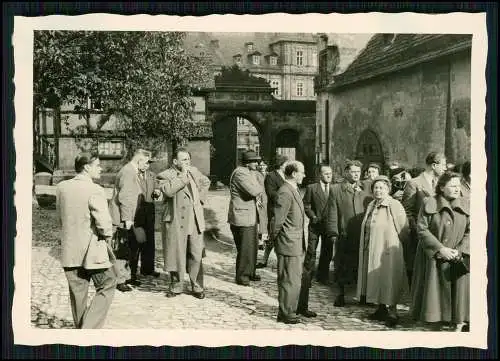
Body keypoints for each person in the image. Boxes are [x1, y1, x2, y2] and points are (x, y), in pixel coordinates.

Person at [56, 153, 116, 328]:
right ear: (87, 167)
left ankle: (81, 331)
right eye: (97, 165)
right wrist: (108, 238)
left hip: (69, 249)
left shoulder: (61, 187)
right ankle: (88, 330)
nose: (101, 168)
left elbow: (60, 218)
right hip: (92, 251)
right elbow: (104, 223)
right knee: (108, 283)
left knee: (78, 293)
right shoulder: (95, 189)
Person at [411, 171, 470, 332]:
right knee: (434, 289)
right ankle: (435, 319)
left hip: (458, 256)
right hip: (434, 256)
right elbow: (422, 229)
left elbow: (471, 230)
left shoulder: (467, 204)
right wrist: (440, 249)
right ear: (442, 187)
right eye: (452, 186)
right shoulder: (429, 202)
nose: (457, 189)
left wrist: (460, 250)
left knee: (458, 290)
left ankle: (458, 322)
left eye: (458, 186)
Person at [356, 176, 410, 327]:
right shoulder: (372, 204)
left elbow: (404, 229)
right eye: (376, 187)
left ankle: (393, 312)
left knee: (389, 278)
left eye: (382, 188)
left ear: (388, 189)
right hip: (372, 247)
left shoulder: (394, 204)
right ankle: (380, 308)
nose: (378, 190)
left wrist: (399, 246)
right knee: (377, 278)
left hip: (388, 250)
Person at [157, 148, 211, 299]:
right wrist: (182, 176)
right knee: (176, 253)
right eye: (184, 160)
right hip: (176, 220)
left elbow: (206, 182)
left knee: (196, 253)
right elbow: (168, 191)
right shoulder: (165, 175)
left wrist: (200, 199)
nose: (187, 163)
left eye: (188, 159)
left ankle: (197, 286)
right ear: (175, 161)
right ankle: (176, 286)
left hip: (194, 219)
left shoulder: (194, 171)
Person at [326, 159, 372, 307]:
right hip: (344, 233)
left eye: (358, 172)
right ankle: (340, 294)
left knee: (361, 264)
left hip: (361, 233)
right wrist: (333, 232)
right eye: (353, 172)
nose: (356, 175)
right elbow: (332, 212)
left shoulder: (365, 190)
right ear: (346, 173)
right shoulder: (336, 189)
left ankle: (363, 295)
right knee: (341, 264)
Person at [109, 148, 152, 292]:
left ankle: (127, 277)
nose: (147, 165)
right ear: (139, 160)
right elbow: (125, 197)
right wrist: (127, 218)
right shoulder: (129, 172)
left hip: (128, 216)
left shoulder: (131, 171)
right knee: (121, 248)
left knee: (128, 248)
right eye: (146, 162)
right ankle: (120, 280)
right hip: (123, 217)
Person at [402, 152, 447, 286]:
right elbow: (407, 210)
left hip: (439, 234)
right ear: (434, 165)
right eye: (443, 165)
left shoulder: (442, 184)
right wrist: (417, 230)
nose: (445, 168)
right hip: (420, 234)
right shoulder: (414, 183)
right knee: (419, 269)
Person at [271, 161, 307, 324]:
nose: (304, 175)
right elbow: (278, 220)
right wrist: (274, 238)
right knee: (288, 279)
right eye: (302, 172)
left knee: (293, 278)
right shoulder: (285, 191)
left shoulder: (293, 189)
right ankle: (286, 312)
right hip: (288, 242)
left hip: (294, 241)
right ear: (294, 174)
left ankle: (288, 309)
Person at [228, 150, 264, 286]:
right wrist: (259, 186)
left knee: (252, 246)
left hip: (248, 215)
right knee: (245, 248)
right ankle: (242, 276)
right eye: (254, 161)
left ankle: (250, 272)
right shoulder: (241, 173)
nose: (257, 163)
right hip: (242, 216)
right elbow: (255, 191)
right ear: (247, 163)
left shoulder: (249, 173)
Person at [302, 164, 334, 285]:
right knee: (311, 251)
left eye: (330, 174)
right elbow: (306, 204)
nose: (329, 176)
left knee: (327, 251)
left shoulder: (334, 189)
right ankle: (307, 277)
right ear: (320, 175)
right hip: (315, 225)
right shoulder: (312, 188)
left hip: (329, 225)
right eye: (326, 174)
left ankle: (323, 276)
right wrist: (313, 216)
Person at [257, 154, 288, 269]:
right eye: (286, 164)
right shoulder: (271, 176)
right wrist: (285, 198)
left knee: (282, 235)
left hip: (285, 209)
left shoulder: (286, 175)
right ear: (281, 165)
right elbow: (271, 193)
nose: (287, 166)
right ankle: (264, 260)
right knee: (273, 235)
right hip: (275, 209)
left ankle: (281, 260)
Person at [136, 158, 161, 277]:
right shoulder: (133, 175)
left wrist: (157, 191)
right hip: (137, 209)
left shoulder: (152, 175)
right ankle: (132, 271)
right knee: (137, 239)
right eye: (145, 163)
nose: (147, 166)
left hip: (150, 209)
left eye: (148, 163)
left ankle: (148, 269)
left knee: (150, 239)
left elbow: (157, 187)